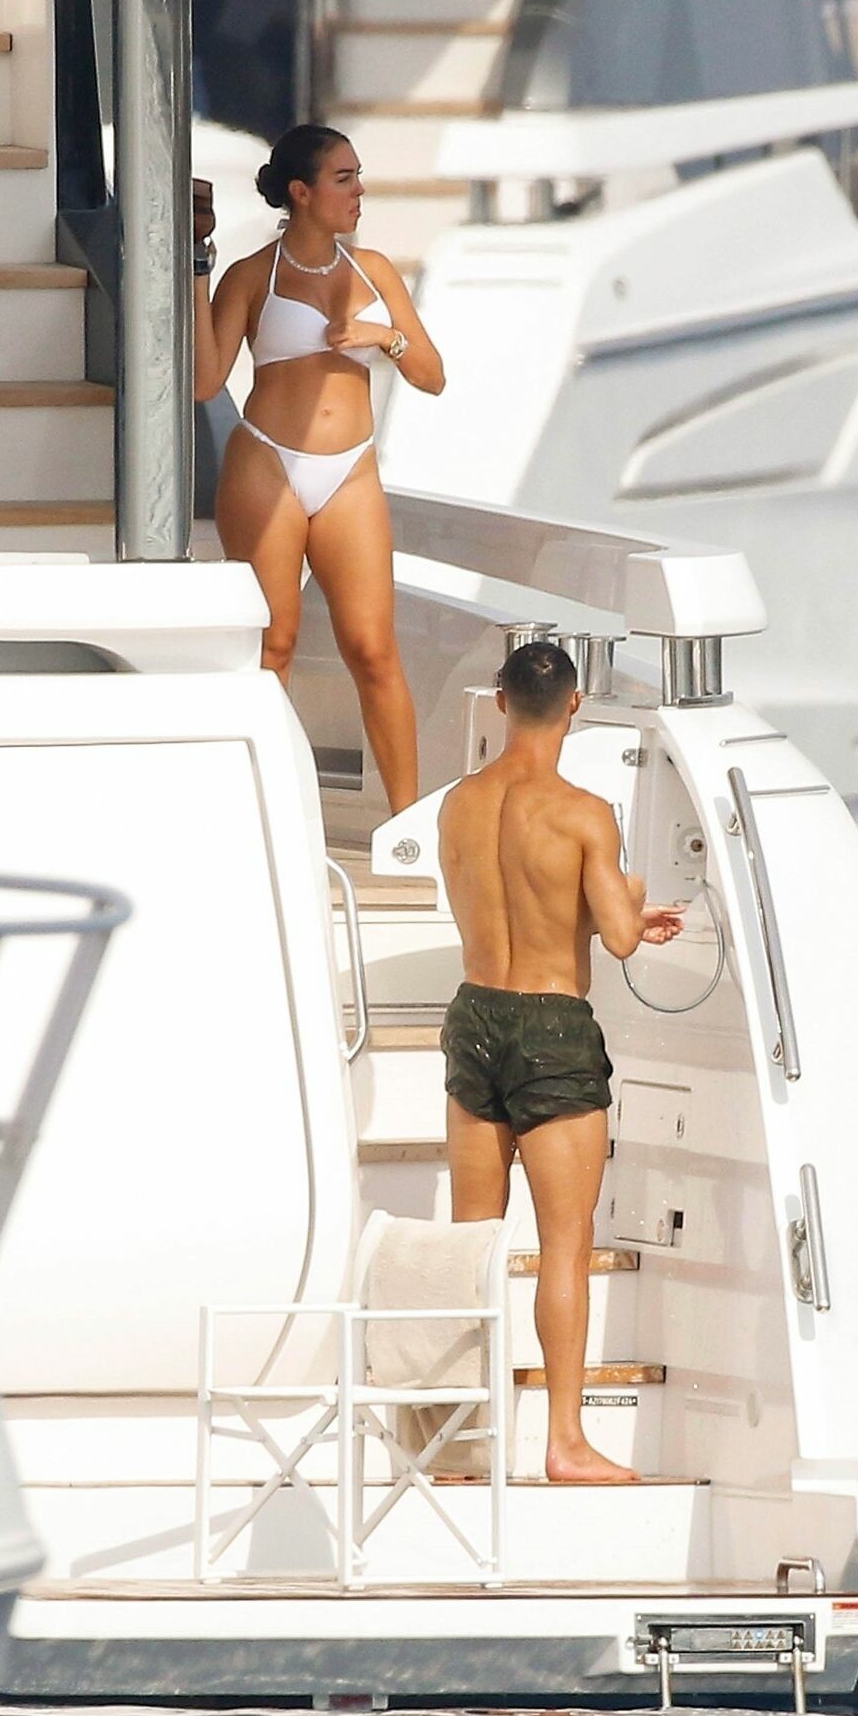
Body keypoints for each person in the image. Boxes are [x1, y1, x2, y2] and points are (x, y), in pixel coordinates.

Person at [437, 643, 685, 1485]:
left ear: (500, 703)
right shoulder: (584, 812)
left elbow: (497, 899)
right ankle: (565, 1444)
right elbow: (617, 937)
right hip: (551, 1026)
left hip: (475, 1015)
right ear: (575, 706)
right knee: (564, 1245)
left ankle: (461, 1443)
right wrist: (631, 898)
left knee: (472, 1244)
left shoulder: (458, 805)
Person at [193, 126, 443, 815]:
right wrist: (198, 265)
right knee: (274, 645)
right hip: (267, 461)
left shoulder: (375, 270)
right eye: (344, 178)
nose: (360, 190)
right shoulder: (252, 275)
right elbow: (206, 382)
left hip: (350, 470)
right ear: (301, 193)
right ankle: (259, 812)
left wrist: (384, 337)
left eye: (358, 175)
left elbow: (432, 377)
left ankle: (407, 828)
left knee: (373, 650)